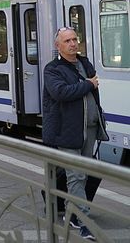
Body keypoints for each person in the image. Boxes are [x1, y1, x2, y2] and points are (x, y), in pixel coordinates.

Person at [42, 27, 107, 241]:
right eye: (67, 41)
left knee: (84, 173)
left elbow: (92, 94)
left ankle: (72, 212)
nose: (72, 44)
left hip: (89, 128)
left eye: (74, 39)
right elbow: (60, 92)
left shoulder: (84, 63)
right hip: (66, 130)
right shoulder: (52, 69)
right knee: (76, 174)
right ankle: (83, 221)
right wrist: (88, 84)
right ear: (58, 46)